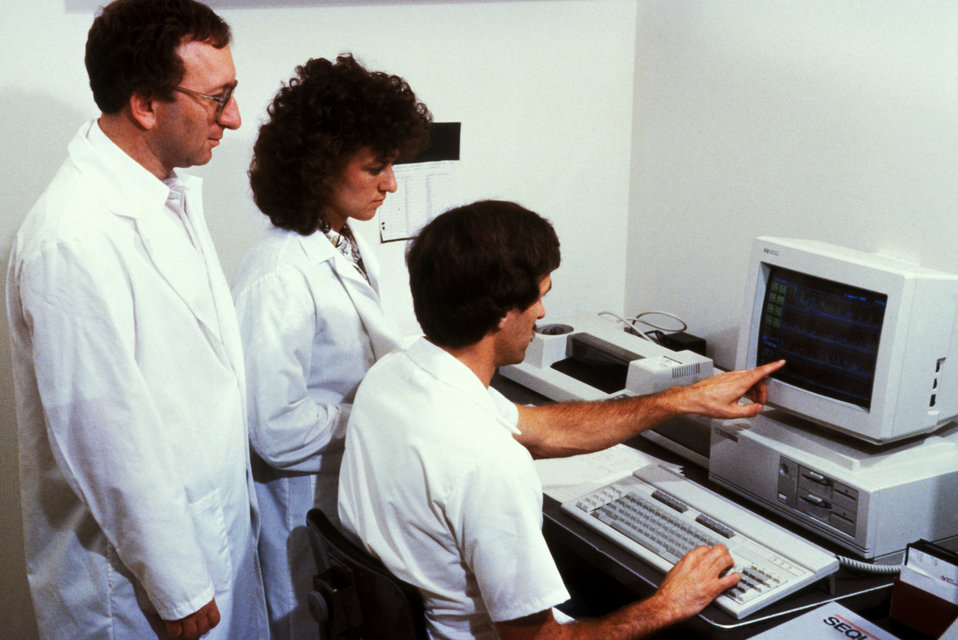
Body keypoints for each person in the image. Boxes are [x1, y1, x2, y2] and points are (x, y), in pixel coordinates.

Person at [338, 200, 786, 640]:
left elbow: (542, 429)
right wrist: (666, 605)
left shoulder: (394, 375)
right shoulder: (490, 464)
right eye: (539, 296)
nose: (542, 313)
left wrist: (680, 399)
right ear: (502, 312)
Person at [6, 1, 268, 638]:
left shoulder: (162, 193)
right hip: (133, 583)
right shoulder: (72, 237)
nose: (233, 118)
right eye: (218, 98)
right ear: (145, 105)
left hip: (206, 533)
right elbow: (103, 433)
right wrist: (177, 584)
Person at [231, 54, 431, 640]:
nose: (391, 183)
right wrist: (380, 415)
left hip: (342, 496)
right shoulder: (277, 275)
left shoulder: (340, 237)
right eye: (377, 167)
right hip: (299, 509)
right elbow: (272, 428)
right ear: (319, 168)